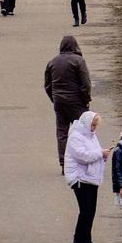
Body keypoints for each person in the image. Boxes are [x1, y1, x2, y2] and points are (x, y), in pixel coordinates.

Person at [45, 34, 93, 165]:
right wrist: (86, 99)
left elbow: (48, 85)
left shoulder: (52, 62)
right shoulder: (78, 61)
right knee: (83, 131)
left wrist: (54, 99)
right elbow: (86, 84)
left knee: (62, 132)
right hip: (77, 102)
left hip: (59, 101)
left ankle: (64, 162)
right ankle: (82, 159)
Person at [64, 110, 105, 243]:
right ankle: (78, 240)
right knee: (85, 210)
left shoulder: (91, 136)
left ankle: (86, 238)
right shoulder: (75, 137)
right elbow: (83, 156)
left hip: (90, 178)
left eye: (95, 126)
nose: (93, 128)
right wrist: (100, 153)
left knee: (91, 210)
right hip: (80, 178)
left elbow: (93, 153)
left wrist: (101, 155)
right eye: (92, 125)